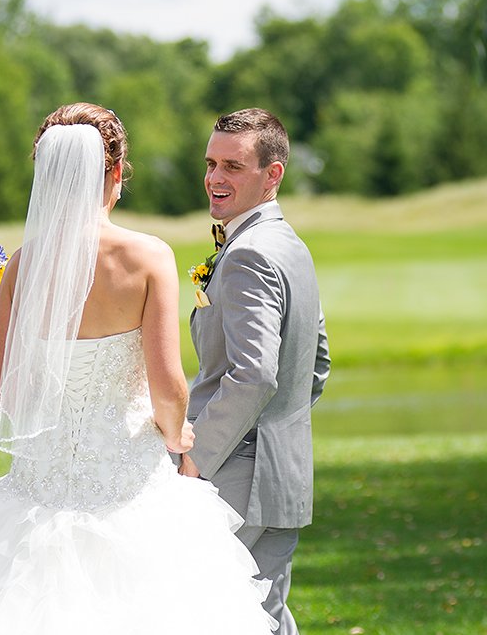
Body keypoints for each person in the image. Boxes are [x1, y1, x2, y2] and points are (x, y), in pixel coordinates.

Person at [0, 103, 276, 634]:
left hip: (40, 481)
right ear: (115, 172)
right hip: (127, 480)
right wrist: (178, 434)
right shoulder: (147, 257)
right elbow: (167, 385)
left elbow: (9, 397)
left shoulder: (22, 264)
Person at [180, 108, 331, 635]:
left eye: (233, 167)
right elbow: (318, 363)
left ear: (273, 174)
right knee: (263, 617)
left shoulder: (248, 254)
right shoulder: (291, 245)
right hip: (282, 473)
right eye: (211, 163)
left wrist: (196, 459)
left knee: (207, 616)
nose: (215, 179)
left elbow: (254, 375)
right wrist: (280, 433)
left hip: (233, 478)